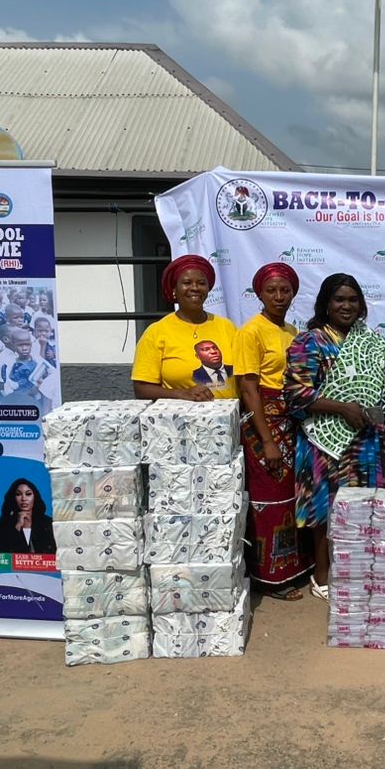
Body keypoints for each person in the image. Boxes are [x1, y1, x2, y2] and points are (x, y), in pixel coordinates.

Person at [285, 274, 385, 600]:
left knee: (361, 507)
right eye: (339, 300)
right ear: (326, 304)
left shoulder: (372, 341)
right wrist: (342, 408)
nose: (346, 306)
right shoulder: (310, 341)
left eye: (352, 300)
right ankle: (322, 572)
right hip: (322, 438)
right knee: (323, 506)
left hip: (364, 439)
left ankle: (356, 569)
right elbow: (296, 395)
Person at [234, 262, 310, 599]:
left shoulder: (291, 331)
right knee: (268, 499)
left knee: (289, 497)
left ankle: (293, 566)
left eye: (285, 290)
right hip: (263, 422)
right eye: (271, 290)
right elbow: (248, 387)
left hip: (289, 420)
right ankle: (268, 577)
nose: (279, 296)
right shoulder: (250, 332)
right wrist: (266, 440)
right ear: (259, 294)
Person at [132, 254, 238, 401]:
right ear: (174, 290)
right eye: (187, 283)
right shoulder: (156, 332)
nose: (194, 288)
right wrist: (182, 394)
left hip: (228, 420)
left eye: (201, 283)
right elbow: (141, 389)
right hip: (180, 420)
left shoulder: (227, 327)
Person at [0, 477, 55, 553]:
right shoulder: (5, 523)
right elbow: (5, 552)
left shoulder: (47, 523)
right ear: (13, 498)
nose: (23, 498)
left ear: (35, 496)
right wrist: (17, 526)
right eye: (18, 494)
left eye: (28, 494)